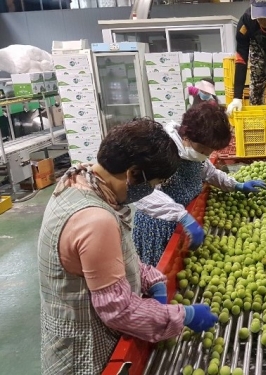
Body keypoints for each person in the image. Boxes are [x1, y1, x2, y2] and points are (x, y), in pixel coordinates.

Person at [38, 119, 217, 375]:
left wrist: (148, 276)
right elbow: (118, 311)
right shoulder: (96, 220)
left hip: (63, 333)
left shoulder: (77, 180)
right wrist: (183, 315)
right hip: (88, 353)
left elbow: (98, 262)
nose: (149, 192)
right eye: (153, 184)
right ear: (133, 173)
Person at [133, 103, 266, 266]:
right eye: (203, 148)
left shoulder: (193, 154)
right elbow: (143, 194)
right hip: (157, 225)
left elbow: (209, 173)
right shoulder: (163, 152)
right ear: (187, 137)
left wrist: (236, 185)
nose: (206, 154)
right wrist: (181, 216)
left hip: (184, 220)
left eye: (210, 151)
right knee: (157, 272)